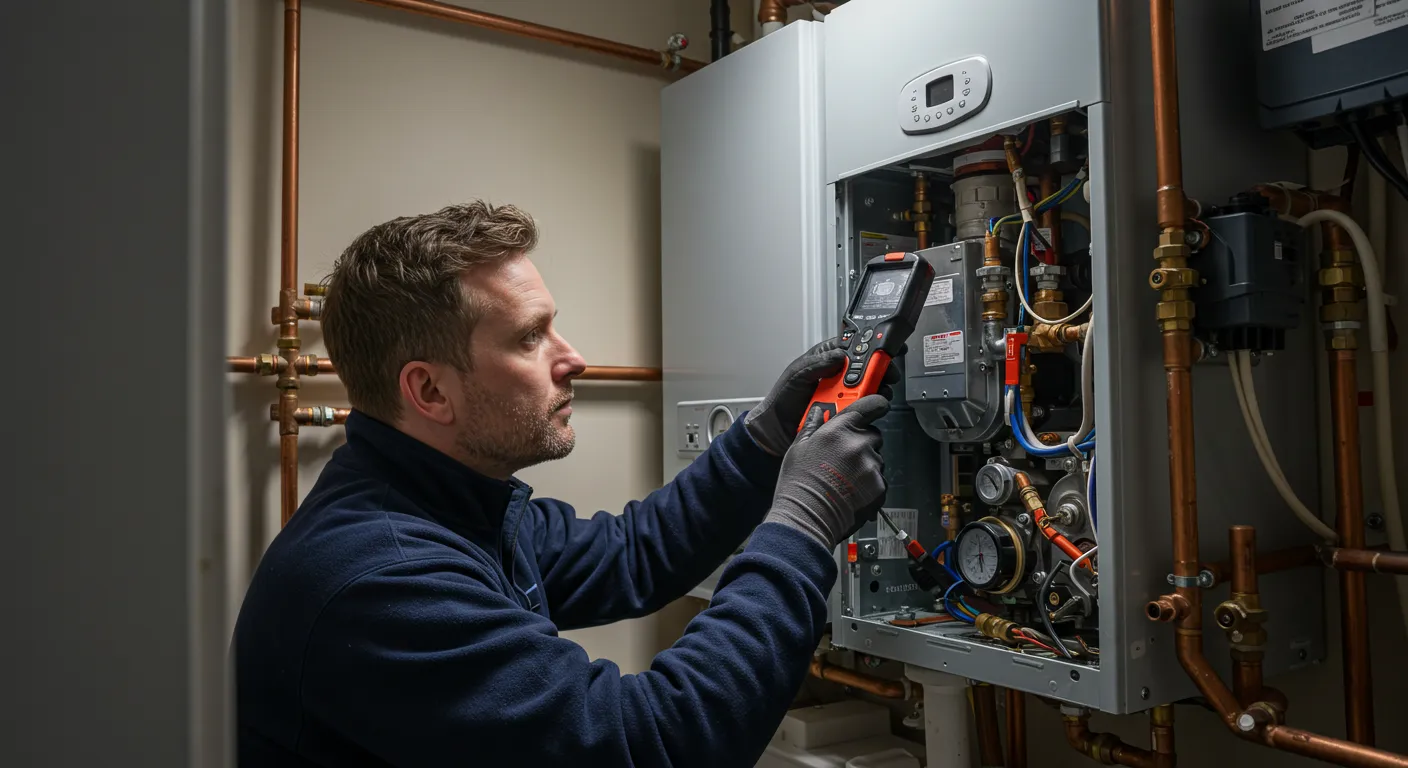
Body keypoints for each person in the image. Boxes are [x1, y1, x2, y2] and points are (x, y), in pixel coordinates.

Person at [233, 201, 896, 767]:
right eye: (530, 338)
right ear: (429, 390)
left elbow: (632, 553)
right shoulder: (381, 581)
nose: (573, 358)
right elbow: (652, 745)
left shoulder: (452, 503)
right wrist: (803, 525)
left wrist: (760, 445)